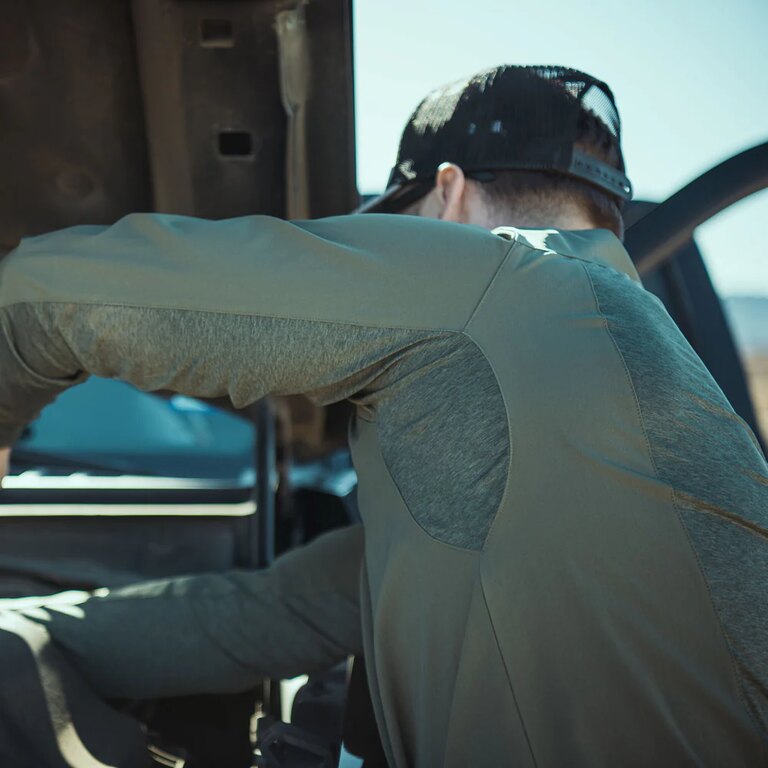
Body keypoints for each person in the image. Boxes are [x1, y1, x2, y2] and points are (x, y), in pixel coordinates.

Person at [0, 65, 766, 767]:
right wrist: (32, 631)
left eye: (399, 225)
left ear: (449, 194)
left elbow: (43, 300)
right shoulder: (608, 391)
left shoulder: (507, 282)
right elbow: (277, 613)